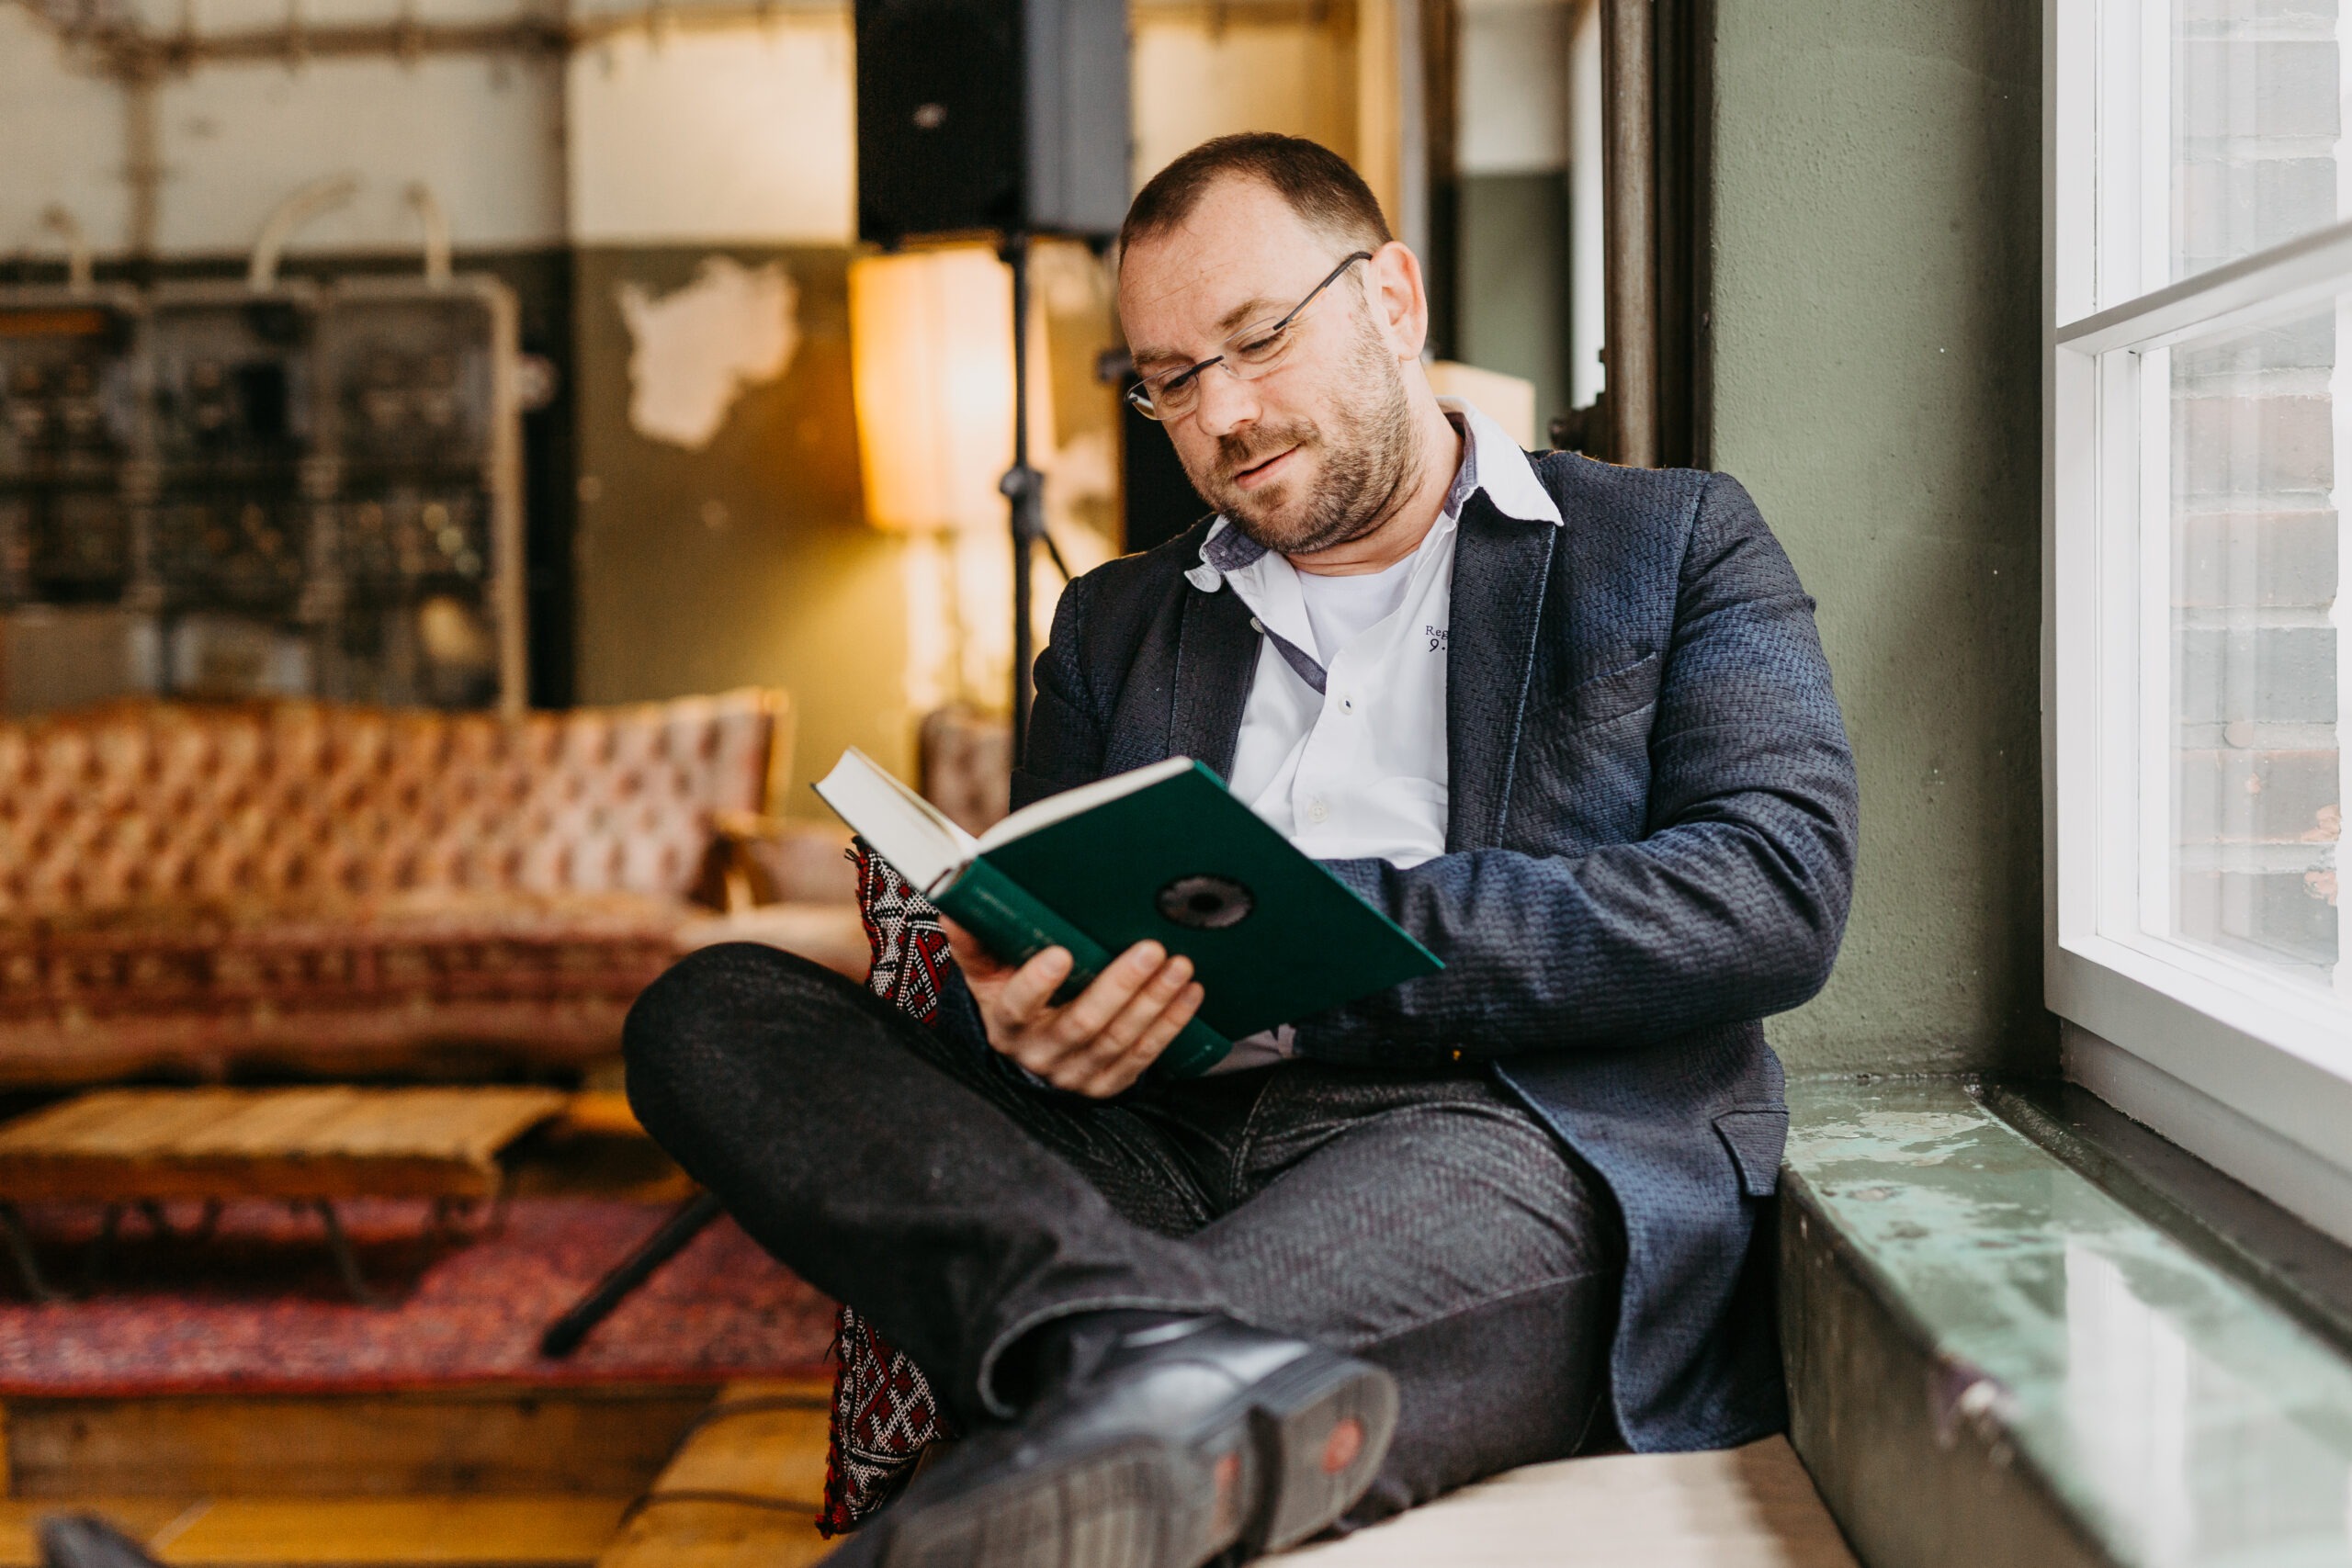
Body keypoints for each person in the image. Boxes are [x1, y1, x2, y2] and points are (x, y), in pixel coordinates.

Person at [623, 132, 1859, 1568]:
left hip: (1497, 1137)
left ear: (1393, 298)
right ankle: (1135, 1347)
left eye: (1256, 340)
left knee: (1128, 1449)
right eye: (1170, 379)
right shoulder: (1112, 623)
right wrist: (1025, 1018)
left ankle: (1130, 1372)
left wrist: (1310, 952)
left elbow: (1775, 894)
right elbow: (1041, 928)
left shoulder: (1667, 542)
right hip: (1141, 1138)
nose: (1224, 412)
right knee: (711, 1009)